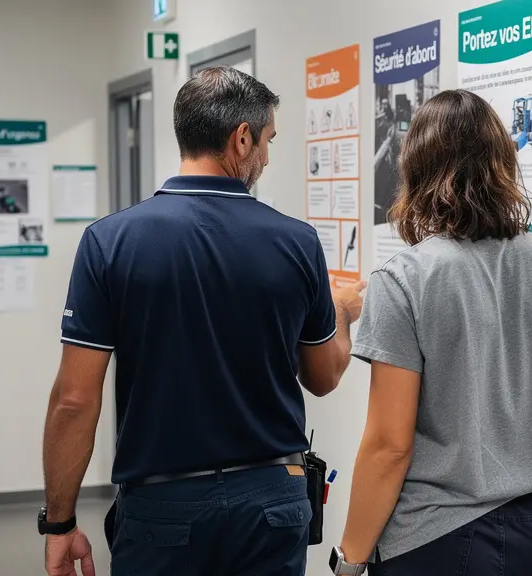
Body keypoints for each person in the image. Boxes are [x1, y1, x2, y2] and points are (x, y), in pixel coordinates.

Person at [40, 66, 364, 576]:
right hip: (271, 505)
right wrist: (342, 312)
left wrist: (58, 524)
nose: (267, 155)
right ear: (241, 139)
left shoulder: (109, 242)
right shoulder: (296, 242)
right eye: (268, 140)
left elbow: (74, 399)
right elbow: (322, 377)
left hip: (161, 509)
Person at [330, 89, 532, 576]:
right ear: (505, 165)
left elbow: (389, 446)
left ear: (418, 170)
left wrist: (349, 560)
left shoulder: (404, 278)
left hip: (441, 536)